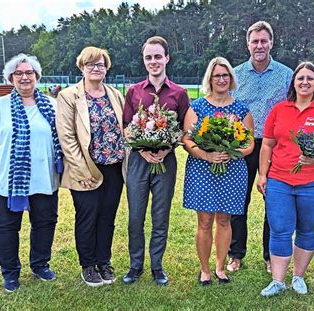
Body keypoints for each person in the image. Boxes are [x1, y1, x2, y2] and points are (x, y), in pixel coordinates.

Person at [257, 61, 314, 296]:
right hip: (280, 181)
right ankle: (278, 280)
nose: (305, 82)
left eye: (310, 78)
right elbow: (267, 145)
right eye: (300, 78)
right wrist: (263, 174)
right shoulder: (279, 109)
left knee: (306, 230)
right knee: (279, 230)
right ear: (293, 82)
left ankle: (298, 277)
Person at [0, 53, 62, 293]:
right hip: (9, 182)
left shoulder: (51, 106)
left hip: (45, 180)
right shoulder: (0, 106)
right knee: (6, 228)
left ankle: (40, 264)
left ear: (37, 76)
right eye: (19, 73)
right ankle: (10, 273)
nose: (24, 77)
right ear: (11, 78)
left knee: (45, 223)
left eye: (29, 73)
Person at [122, 36, 189, 285]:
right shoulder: (134, 92)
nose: (154, 61)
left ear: (167, 58)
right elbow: (127, 126)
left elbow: (184, 129)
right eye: (149, 57)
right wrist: (141, 150)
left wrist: (168, 147)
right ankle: (135, 266)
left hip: (165, 162)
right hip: (139, 162)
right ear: (144, 60)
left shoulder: (179, 94)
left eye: (158, 56)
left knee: (160, 216)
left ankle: (157, 267)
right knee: (136, 217)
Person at [56, 46, 126, 287]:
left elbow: (124, 129)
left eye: (100, 64)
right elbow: (67, 137)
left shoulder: (115, 94)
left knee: (107, 217)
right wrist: (82, 171)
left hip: (114, 168)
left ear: (106, 68)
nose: (96, 68)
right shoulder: (69, 96)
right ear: (82, 67)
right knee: (87, 217)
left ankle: (104, 261)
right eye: (91, 64)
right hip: (85, 169)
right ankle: (88, 265)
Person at [182, 57, 254, 286]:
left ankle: (221, 267)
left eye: (225, 75)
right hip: (202, 169)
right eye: (217, 76)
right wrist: (208, 155)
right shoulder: (197, 107)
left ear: (231, 79)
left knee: (224, 220)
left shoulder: (241, 109)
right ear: (210, 79)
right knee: (204, 221)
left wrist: (231, 153)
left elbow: (249, 143)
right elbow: (187, 139)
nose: (221, 79)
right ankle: (205, 270)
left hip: (231, 171)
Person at [228, 20, 293, 274]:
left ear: (271, 43)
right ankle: (236, 254)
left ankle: (269, 255)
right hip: (242, 146)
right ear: (247, 44)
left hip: (273, 147)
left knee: (273, 203)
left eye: (263, 40)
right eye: (255, 41)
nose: (259, 45)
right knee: (237, 203)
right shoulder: (236, 74)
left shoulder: (286, 75)